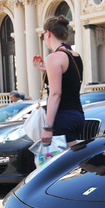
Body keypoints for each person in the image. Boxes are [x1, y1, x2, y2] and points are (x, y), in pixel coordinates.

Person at [32, 15, 84, 148]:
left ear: (48, 33)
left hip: (62, 118)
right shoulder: (75, 55)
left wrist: (48, 127)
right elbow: (68, 82)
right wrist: (45, 70)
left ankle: (101, 167)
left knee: (64, 165)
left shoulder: (54, 57)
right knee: (73, 162)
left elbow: (55, 94)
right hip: (77, 115)